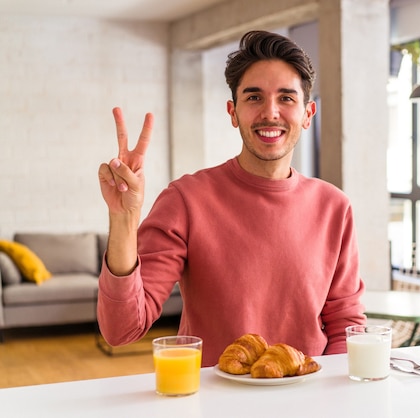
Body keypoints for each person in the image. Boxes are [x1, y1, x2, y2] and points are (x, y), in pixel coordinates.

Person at [97, 30, 366, 367]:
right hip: (213, 402)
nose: (270, 112)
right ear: (233, 112)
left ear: (308, 113)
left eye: (286, 98)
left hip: (310, 398)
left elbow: (346, 323)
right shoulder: (186, 200)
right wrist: (123, 219)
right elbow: (121, 330)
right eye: (254, 98)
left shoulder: (334, 207)